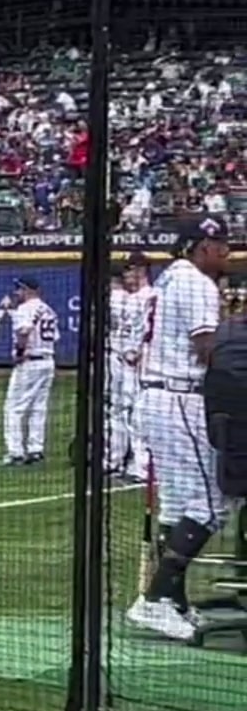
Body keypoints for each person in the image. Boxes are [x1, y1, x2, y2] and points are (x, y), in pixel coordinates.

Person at [128, 216, 230, 642]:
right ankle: (153, 600)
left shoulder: (168, 279)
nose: (226, 254)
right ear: (202, 246)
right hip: (179, 398)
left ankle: (174, 602)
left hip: (155, 397)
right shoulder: (196, 282)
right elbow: (207, 349)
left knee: (176, 506)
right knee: (210, 505)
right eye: (221, 246)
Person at [0, 276, 60, 467]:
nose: (16, 293)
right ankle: (36, 450)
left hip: (29, 362)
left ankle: (15, 452)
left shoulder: (25, 309)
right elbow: (54, 337)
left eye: (19, 289)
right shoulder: (48, 309)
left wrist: (19, 352)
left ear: (27, 290)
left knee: (13, 408)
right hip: (47, 361)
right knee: (38, 408)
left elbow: (24, 331)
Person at [106, 253, 154, 481]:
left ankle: (142, 465)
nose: (126, 275)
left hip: (141, 361)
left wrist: (136, 350)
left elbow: (148, 331)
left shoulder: (152, 296)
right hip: (120, 359)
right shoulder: (127, 298)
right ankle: (115, 459)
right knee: (118, 409)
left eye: (129, 269)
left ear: (141, 270)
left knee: (138, 412)